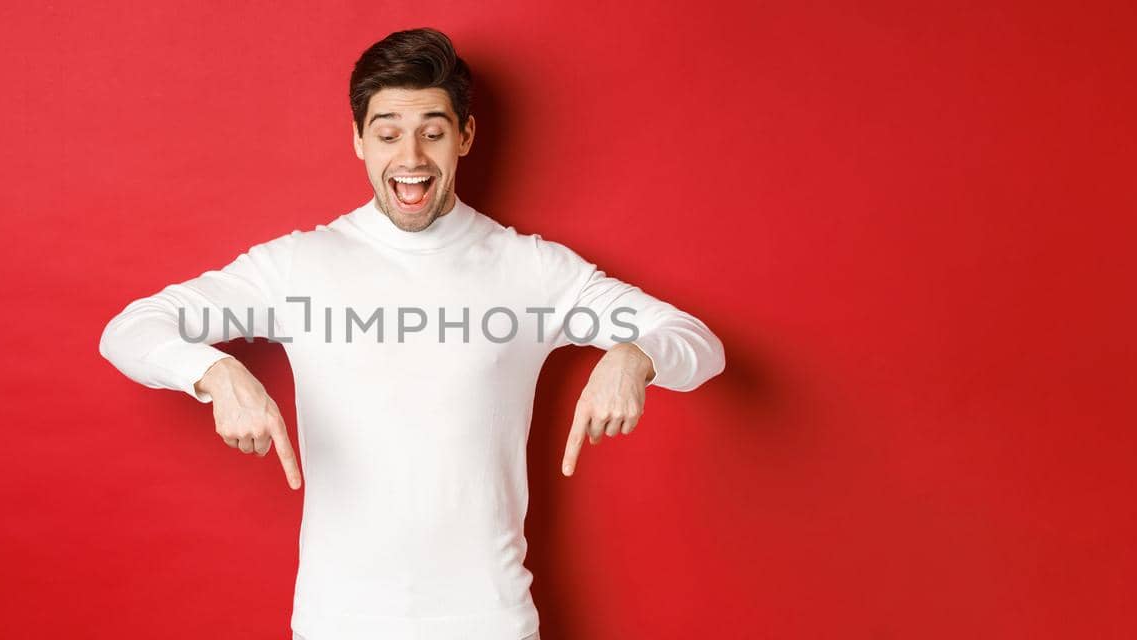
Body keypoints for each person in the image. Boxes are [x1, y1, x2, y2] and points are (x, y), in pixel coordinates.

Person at [98, 27, 725, 640]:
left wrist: (635, 355)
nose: (411, 159)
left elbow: (700, 344)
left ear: (465, 137)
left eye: (432, 133)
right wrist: (213, 373)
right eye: (388, 134)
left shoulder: (532, 270)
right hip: (337, 621)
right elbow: (128, 331)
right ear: (359, 141)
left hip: (491, 621)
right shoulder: (297, 266)